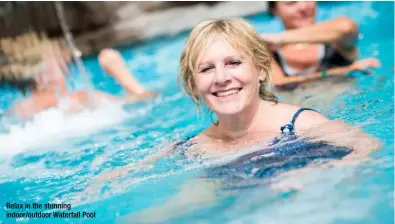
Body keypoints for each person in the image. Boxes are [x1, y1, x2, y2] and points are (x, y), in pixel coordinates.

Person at [84, 18, 380, 222]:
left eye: (233, 63)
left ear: (261, 70)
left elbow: (369, 148)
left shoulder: (301, 124)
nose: (222, 78)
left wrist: (320, 175)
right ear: (193, 85)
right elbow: (127, 176)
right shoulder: (193, 147)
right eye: (206, 69)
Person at [6, 48, 156, 119]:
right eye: (58, 64)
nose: (65, 63)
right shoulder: (81, 99)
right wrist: (119, 71)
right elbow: (145, 101)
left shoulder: (15, 112)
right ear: (41, 77)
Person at [261, 1, 381, 88]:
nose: (303, 7)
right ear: (274, 10)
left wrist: (280, 38)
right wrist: (346, 70)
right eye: (291, 3)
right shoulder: (269, 50)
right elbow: (279, 84)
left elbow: (347, 27)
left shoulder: (335, 38)